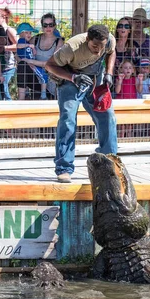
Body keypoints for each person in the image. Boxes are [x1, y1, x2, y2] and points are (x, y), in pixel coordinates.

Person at [45, 24, 118, 183]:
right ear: (87, 40)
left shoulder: (110, 40)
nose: (98, 51)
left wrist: (109, 73)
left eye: (101, 46)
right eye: (94, 46)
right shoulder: (72, 47)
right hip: (71, 81)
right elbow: (49, 66)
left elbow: (111, 53)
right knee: (68, 120)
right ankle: (64, 168)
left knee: (108, 116)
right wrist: (72, 77)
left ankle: (110, 163)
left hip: (95, 80)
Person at [25, 13, 64, 100]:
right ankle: (23, 96)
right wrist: (28, 62)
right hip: (36, 75)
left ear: (55, 26)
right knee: (22, 65)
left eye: (51, 25)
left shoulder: (59, 41)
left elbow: (52, 63)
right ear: (42, 27)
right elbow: (21, 55)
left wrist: (32, 61)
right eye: (45, 25)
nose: (48, 28)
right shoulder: (35, 39)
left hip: (51, 77)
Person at [16, 23, 48, 100]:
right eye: (26, 32)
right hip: (28, 63)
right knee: (44, 77)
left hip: (31, 63)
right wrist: (29, 46)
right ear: (21, 33)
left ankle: (42, 94)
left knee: (43, 76)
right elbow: (18, 46)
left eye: (30, 33)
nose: (29, 34)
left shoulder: (27, 43)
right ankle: (43, 95)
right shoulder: (22, 41)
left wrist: (33, 49)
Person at [0, 8, 17, 101]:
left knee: (6, 94)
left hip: (8, 67)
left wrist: (4, 48)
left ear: (3, 17)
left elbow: (19, 45)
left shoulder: (9, 30)